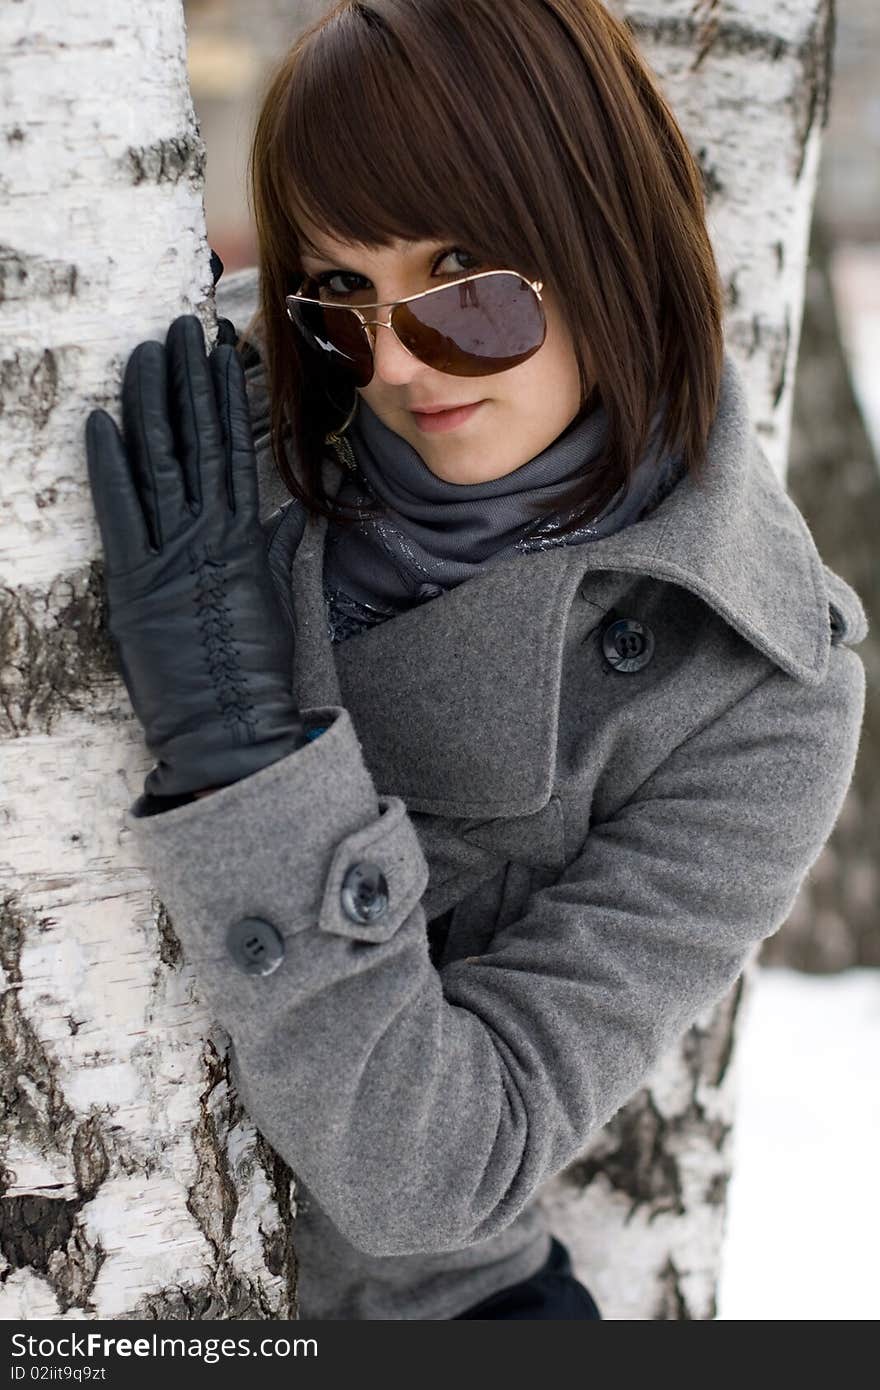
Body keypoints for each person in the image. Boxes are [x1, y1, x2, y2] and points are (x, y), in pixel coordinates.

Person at [84, 0, 868, 1321]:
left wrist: (242, 740)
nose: (391, 360)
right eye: (338, 293)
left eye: (466, 286)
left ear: (607, 238)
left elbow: (441, 1174)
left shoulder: (752, 692)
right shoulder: (197, 417)